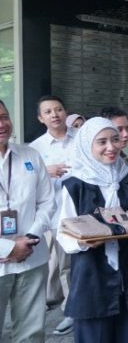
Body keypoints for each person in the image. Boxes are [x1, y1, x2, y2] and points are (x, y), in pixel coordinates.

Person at [56, 117, 128, 342]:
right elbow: (63, 232)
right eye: (101, 142)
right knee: (94, 334)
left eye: (115, 140)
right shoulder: (75, 185)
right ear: (86, 145)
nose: (111, 147)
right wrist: (84, 242)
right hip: (91, 271)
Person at [0, 99, 56, 342]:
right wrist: (9, 248)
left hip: (32, 258)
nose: (2, 124)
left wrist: (30, 238)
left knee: (31, 333)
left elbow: (47, 202)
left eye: (4, 117)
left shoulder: (30, 155)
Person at [28, 94, 75, 335]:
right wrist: (45, 171)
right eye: (48, 112)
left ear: (66, 112)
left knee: (77, 265)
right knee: (60, 265)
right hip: (55, 216)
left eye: (58, 109)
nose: (54, 114)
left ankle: (79, 310)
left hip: (82, 213)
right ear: (40, 118)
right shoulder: (35, 149)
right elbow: (27, 183)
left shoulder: (82, 139)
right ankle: (64, 306)